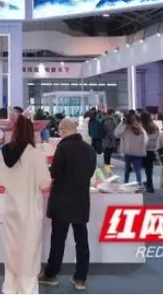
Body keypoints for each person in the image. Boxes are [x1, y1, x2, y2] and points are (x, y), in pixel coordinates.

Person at [0, 115, 52, 294]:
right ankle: (27, 290)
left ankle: (10, 288)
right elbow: (44, 183)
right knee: (29, 251)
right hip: (30, 209)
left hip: (11, 207)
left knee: (11, 249)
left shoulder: (2, 153)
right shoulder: (36, 155)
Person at [39, 119, 96, 290]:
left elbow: (55, 172)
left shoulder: (63, 148)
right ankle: (80, 278)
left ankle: (51, 274)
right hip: (81, 200)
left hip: (62, 200)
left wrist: (47, 170)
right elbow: (90, 172)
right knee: (82, 240)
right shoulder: (89, 149)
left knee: (58, 239)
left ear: (62, 130)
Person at [114, 112, 147, 185]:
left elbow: (116, 134)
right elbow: (146, 140)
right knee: (137, 170)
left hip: (128, 152)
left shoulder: (125, 128)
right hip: (139, 153)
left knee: (127, 169)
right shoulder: (140, 129)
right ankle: (139, 184)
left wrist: (122, 123)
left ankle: (126, 184)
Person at [140, 111, 160, 193]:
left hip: (144, 150)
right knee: (149, 168)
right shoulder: (154, 126)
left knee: (147, 169)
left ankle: (150, 185)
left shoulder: (142, 127)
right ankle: (149, 182)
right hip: (152, 150)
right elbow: (157, 137)